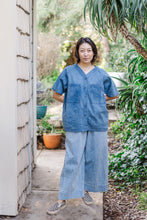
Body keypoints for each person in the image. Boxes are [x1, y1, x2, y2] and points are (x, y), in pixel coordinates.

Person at [47, 37, 119, 215]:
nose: (86, 53)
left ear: (94, 52)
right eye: (82, 50)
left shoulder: (101, 74)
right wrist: (71, 102)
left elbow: (113, 94)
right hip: (75, 121)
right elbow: (56, 94)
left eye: (89, 50)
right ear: (77, 53)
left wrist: (100, 100)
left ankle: (85, 190)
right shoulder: (69, 72)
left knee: (94, 158)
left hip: (97, 121)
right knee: (73, 158)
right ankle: (62, 198)